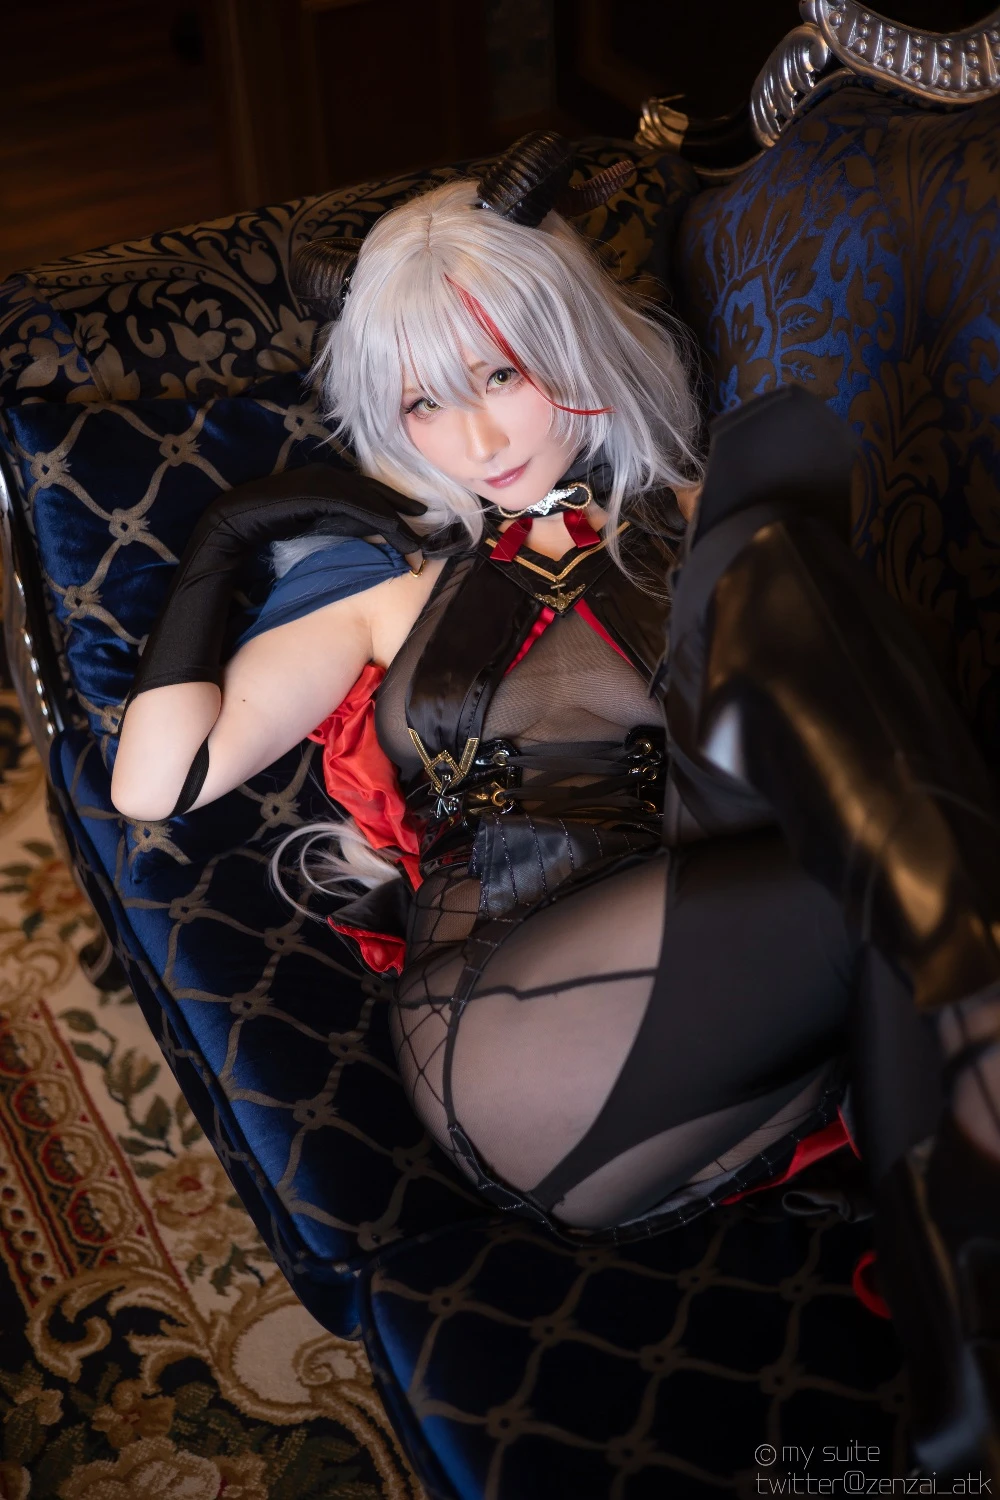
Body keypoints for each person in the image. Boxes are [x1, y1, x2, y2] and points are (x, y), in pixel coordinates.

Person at [110, 133, 1000, 1473]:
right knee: (895, 877)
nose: (473, 441)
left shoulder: (706, 517)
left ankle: (963, 1384)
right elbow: (156, 782)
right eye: (421, 406)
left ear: (573, 344)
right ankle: (968, 995)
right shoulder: (388, 579)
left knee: (765, 542)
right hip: (512, 1037)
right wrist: (237, 531)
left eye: (501, 379)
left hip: (719, 1020)